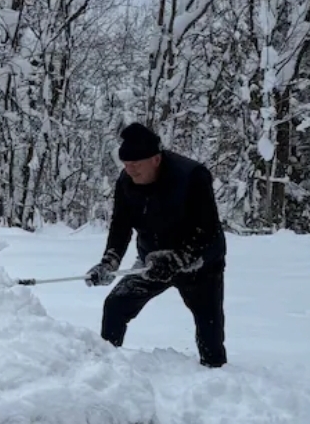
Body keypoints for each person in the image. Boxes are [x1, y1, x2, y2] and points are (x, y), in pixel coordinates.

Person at [85, 122, 228, 368]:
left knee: (208, 327)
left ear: (156, 159)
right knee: (116, 305)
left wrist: (177, 259)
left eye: (136, 165)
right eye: (126, 165)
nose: (130, 171)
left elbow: (208, 229)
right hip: (150, 263)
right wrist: (110, 261)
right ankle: (106, 368)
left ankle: (217, 379)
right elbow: (120, 226)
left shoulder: (192, 176)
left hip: (200, 263)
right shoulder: (126, 181)